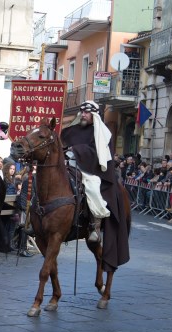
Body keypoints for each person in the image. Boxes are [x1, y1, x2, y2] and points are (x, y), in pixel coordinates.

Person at [60, 100, 129, 271]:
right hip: (68, 166)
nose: (83, 115)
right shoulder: (71, 130)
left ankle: (94, 225)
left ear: (94, 115)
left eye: (87, 112)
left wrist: (76, 150)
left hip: (91, 171)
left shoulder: (102, 133)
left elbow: (100, 154)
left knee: (92, 189)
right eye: (82, 112)